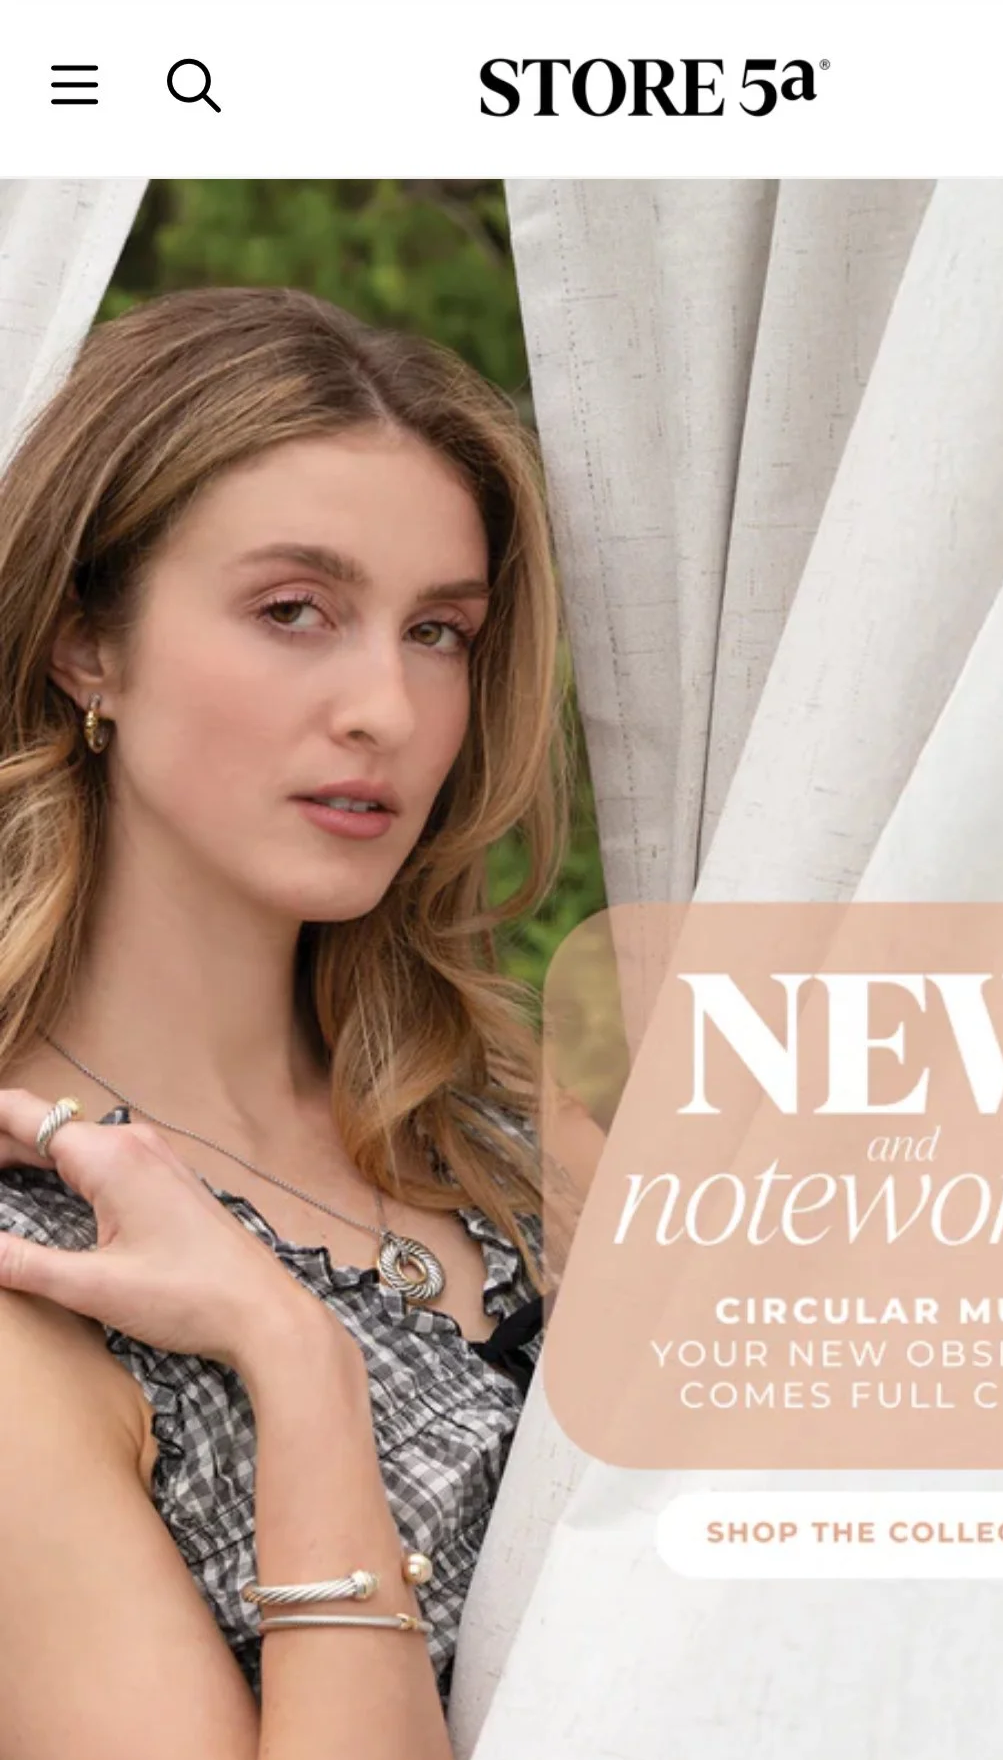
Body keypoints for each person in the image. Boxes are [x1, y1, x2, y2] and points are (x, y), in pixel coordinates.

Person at [0, 283, 577, 1758]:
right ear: (87, 648)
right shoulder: (27, 1279)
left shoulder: (508, 1126)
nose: (386, 705)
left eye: (440, 631)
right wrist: (295, 1361)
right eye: (294, 612)